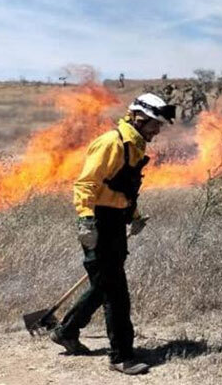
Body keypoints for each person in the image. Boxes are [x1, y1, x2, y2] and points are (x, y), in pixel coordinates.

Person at [49, 93, 175, 375]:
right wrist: (86, 222)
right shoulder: (112, 143)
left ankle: (66, 332)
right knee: (116, 293)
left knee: (103, 285)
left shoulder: (135, 147)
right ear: (138, 119)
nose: (158, 130)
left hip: (116, 221)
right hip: (99, 223)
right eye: (155, 124)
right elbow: (86, 184)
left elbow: (122, 187)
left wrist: (134, 216)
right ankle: (122, 356)